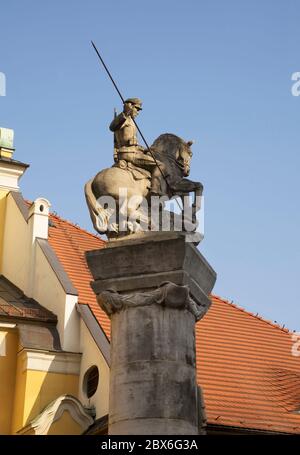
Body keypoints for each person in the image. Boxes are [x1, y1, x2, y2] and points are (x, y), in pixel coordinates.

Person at [109, 98, 166, 196]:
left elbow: (133, 143)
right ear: (130, 106)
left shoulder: (131, 121)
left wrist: (144, 149)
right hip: (128, 153)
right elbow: (112, 127)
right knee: (160, 165)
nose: (138, 112)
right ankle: (155, 190)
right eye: (137, 109)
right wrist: (125, 113)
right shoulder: (124, 119)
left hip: (133, 151)